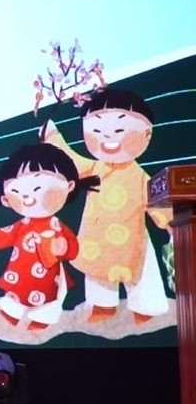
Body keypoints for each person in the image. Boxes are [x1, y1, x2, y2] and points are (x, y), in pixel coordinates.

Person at [42, 88, 173, 324]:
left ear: (146, 135)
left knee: (143, 271)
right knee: (96, 271)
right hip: (97, 237)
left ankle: (146, 308)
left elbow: (157, 202)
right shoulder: (94, 169)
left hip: (133, 238)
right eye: (97, 131)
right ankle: (102, 306)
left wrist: (170, 223)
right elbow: (70, 160)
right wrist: (51, 134)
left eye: (120, 129)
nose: (108, 137)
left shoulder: (140, 177)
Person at [0, 143, 100, 330]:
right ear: (5, 200)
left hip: (48, 273)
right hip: (20, 272)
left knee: (48, 300)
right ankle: (11, 314)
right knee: (15, 295)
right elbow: (6, 234)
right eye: (16, 192)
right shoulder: (23, 224)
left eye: (37, 188)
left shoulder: (56, 225)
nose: (28, 198)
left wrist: (64, 247)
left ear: (69, 186)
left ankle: (41, 320)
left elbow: (73, 247)